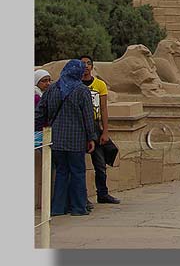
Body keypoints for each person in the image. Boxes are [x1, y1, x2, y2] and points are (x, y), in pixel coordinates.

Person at [34, 60, 97, 215]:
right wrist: (91, 137)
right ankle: (78, 207)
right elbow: (88, 117)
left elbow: (40, 113)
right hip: (76, 138)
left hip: (55, 138)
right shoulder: (82, 90)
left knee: (61, 172)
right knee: (77, 172)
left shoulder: (52, 88)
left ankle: (58, 208)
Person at [80, 55, 121, 205]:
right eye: (82, 63)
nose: (85, 66)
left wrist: (105, 131)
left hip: (95, 125)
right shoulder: (76, 84)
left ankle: (102, 194)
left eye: (88, 63)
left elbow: (104, 109)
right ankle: (82, 197)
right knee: (79, 165)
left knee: (100, 164)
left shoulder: (99, 85)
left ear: (92, 66)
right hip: (79, 126)